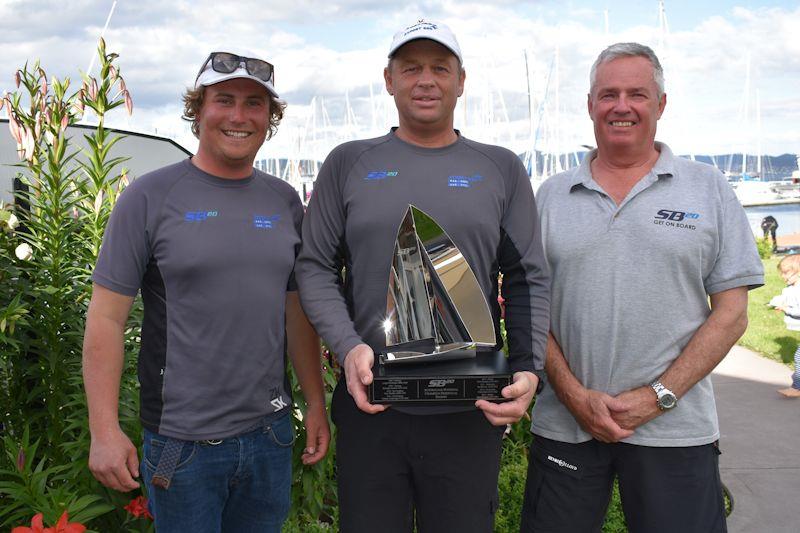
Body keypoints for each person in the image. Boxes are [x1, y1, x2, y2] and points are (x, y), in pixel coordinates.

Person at [295, 20, 550, 532]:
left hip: (471, 408)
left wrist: (529, 368)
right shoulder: (349, 162)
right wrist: (348, 348)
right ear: (389, 80)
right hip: (371, 404)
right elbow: (316, 267)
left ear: (461, 80)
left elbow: (527, 277)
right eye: (411, 68)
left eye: (440, 68)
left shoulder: (500, 167)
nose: (426, 80)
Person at [82, 48, 330, 532]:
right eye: (225, 100)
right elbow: (106, 319)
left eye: (255, 104)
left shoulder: (283, 201)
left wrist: (315, 403)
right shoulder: (149, 198)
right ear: (197, 110)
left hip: (271, 437)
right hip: (182, 445)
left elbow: (296, 312)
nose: (239, 116)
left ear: (270, 118)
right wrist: (103, 430)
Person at [524, 42, 764, 533]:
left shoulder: (708, 187)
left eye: (637, 93)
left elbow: (732, 314)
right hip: (566, 427)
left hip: (676, 430)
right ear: (590, 105)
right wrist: (573, 395)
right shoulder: (550, 196)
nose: (621, 106)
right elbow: (530, 310)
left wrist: (657, 398)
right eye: (608, 94)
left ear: (661, 104)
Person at [768, 254, 800, 398]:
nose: (782, 275)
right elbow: (784, 297)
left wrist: (786, 309)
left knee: (799, 357)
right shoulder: (791, 287)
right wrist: (775, 302)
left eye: (786, 272)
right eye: (782, 272)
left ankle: (797, 388)